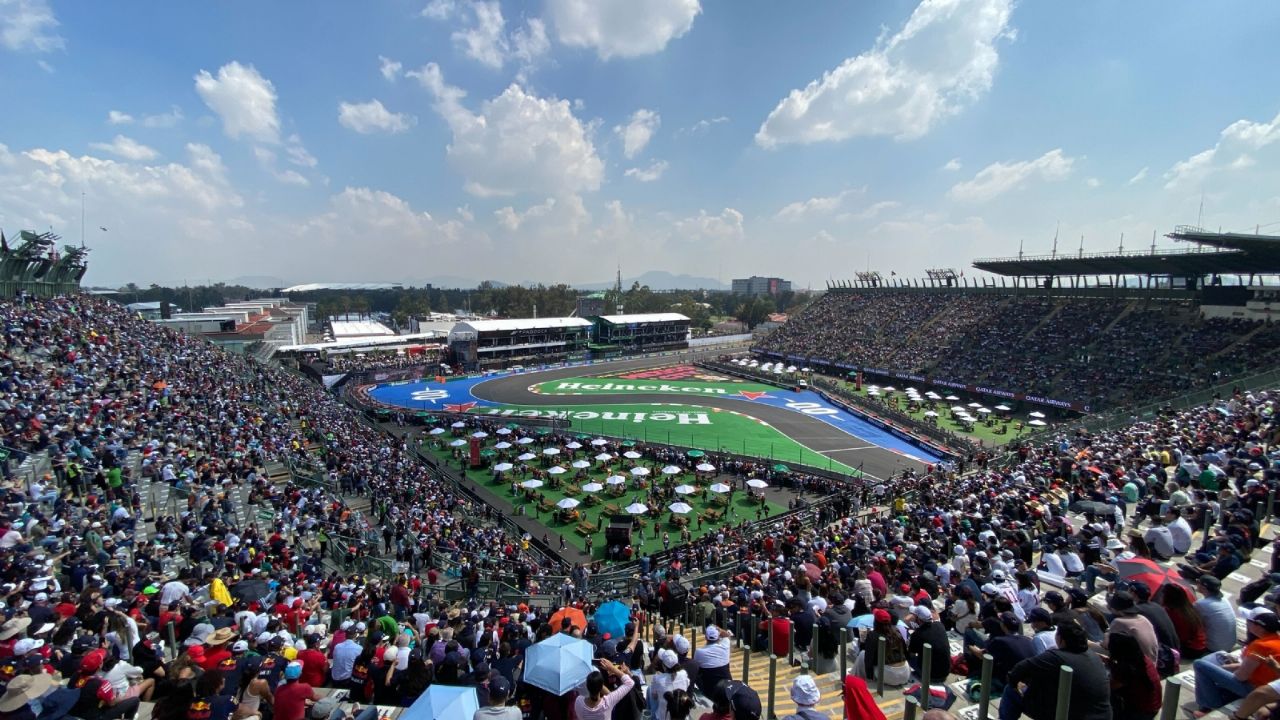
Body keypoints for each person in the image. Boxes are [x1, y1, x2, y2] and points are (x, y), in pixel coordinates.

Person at [1000, 621, 1111, 720]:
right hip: (1103, 715)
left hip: (1068, 715)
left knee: (1010, 691)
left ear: (1061, 639)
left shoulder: (1056, 656)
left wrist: (1021, 685)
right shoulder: (1093, 656)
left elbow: (1016, 672)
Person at [1189, 609, 1280, 717]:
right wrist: (1223, 669)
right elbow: (1257, 665)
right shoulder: (1275, 641)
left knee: (1200, 665)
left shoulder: (1261, 645)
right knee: (1216, 675)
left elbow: (1241, 677)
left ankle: (1208, 708)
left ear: (1259, 627)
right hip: (1271, 687)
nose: (1247, 624)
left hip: (1255, 688)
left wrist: (1220, 674)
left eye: (1250, 622)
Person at [1105, 633, 1161, 720]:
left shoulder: (1127, 669)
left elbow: (1108, 687)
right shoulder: (1141, 659)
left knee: (1109, 696)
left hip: (1142, 712)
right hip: (1153, 706)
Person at [1193, 575, 1237, 653]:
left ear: (1203, 588)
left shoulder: (1201, 604)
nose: (1196, 584)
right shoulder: (1224, 600)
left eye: (1197, 582)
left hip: (1214, 647)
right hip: (1230, 644)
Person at [906, 606, 949, 684]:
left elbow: (911, 654)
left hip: (930, 676)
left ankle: (919, 674)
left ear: (918, 619)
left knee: (907, 657)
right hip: (945, 672)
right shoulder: (940, 625)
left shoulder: (917, 634)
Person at [692, 626, 732, 698]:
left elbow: (696, 668)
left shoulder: (699, 652)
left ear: (706, 637)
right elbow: (727, 635)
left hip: (710, 689)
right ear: (718, 637)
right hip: (728, 686)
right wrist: (720, 630)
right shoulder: (725, 645)